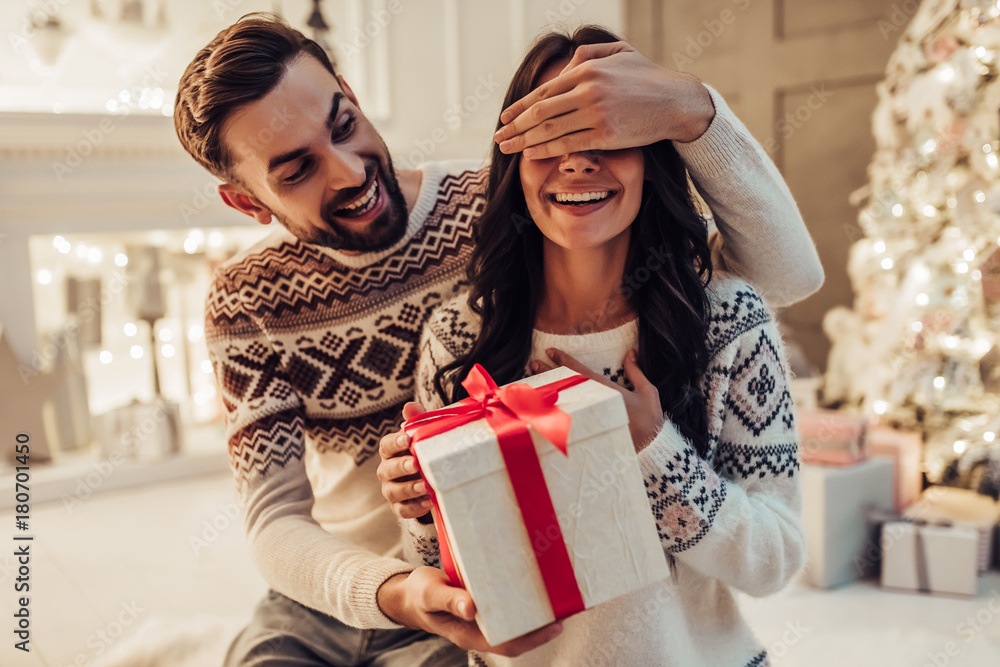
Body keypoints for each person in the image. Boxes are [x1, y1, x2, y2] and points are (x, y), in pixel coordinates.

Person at [173, 11, 822, 667]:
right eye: (294, 170)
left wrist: (692, 109)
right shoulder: (251, 300)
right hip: (349, 589)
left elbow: (776, 279)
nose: (347, 173)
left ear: (354, 95)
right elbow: (274, 520)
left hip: (467, 614)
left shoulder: (513, 201)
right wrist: (401, 577)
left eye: (343, 125)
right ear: (247, 203)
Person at [378, 25, 806, 667]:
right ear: (514, 165)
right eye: (549, 136)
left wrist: (654, 449)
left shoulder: (725, 319)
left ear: (651, 159)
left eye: (607, 135)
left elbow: (775, 561)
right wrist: (421, 505)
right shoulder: (458, 341)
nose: (577, 161)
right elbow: (450, 577)